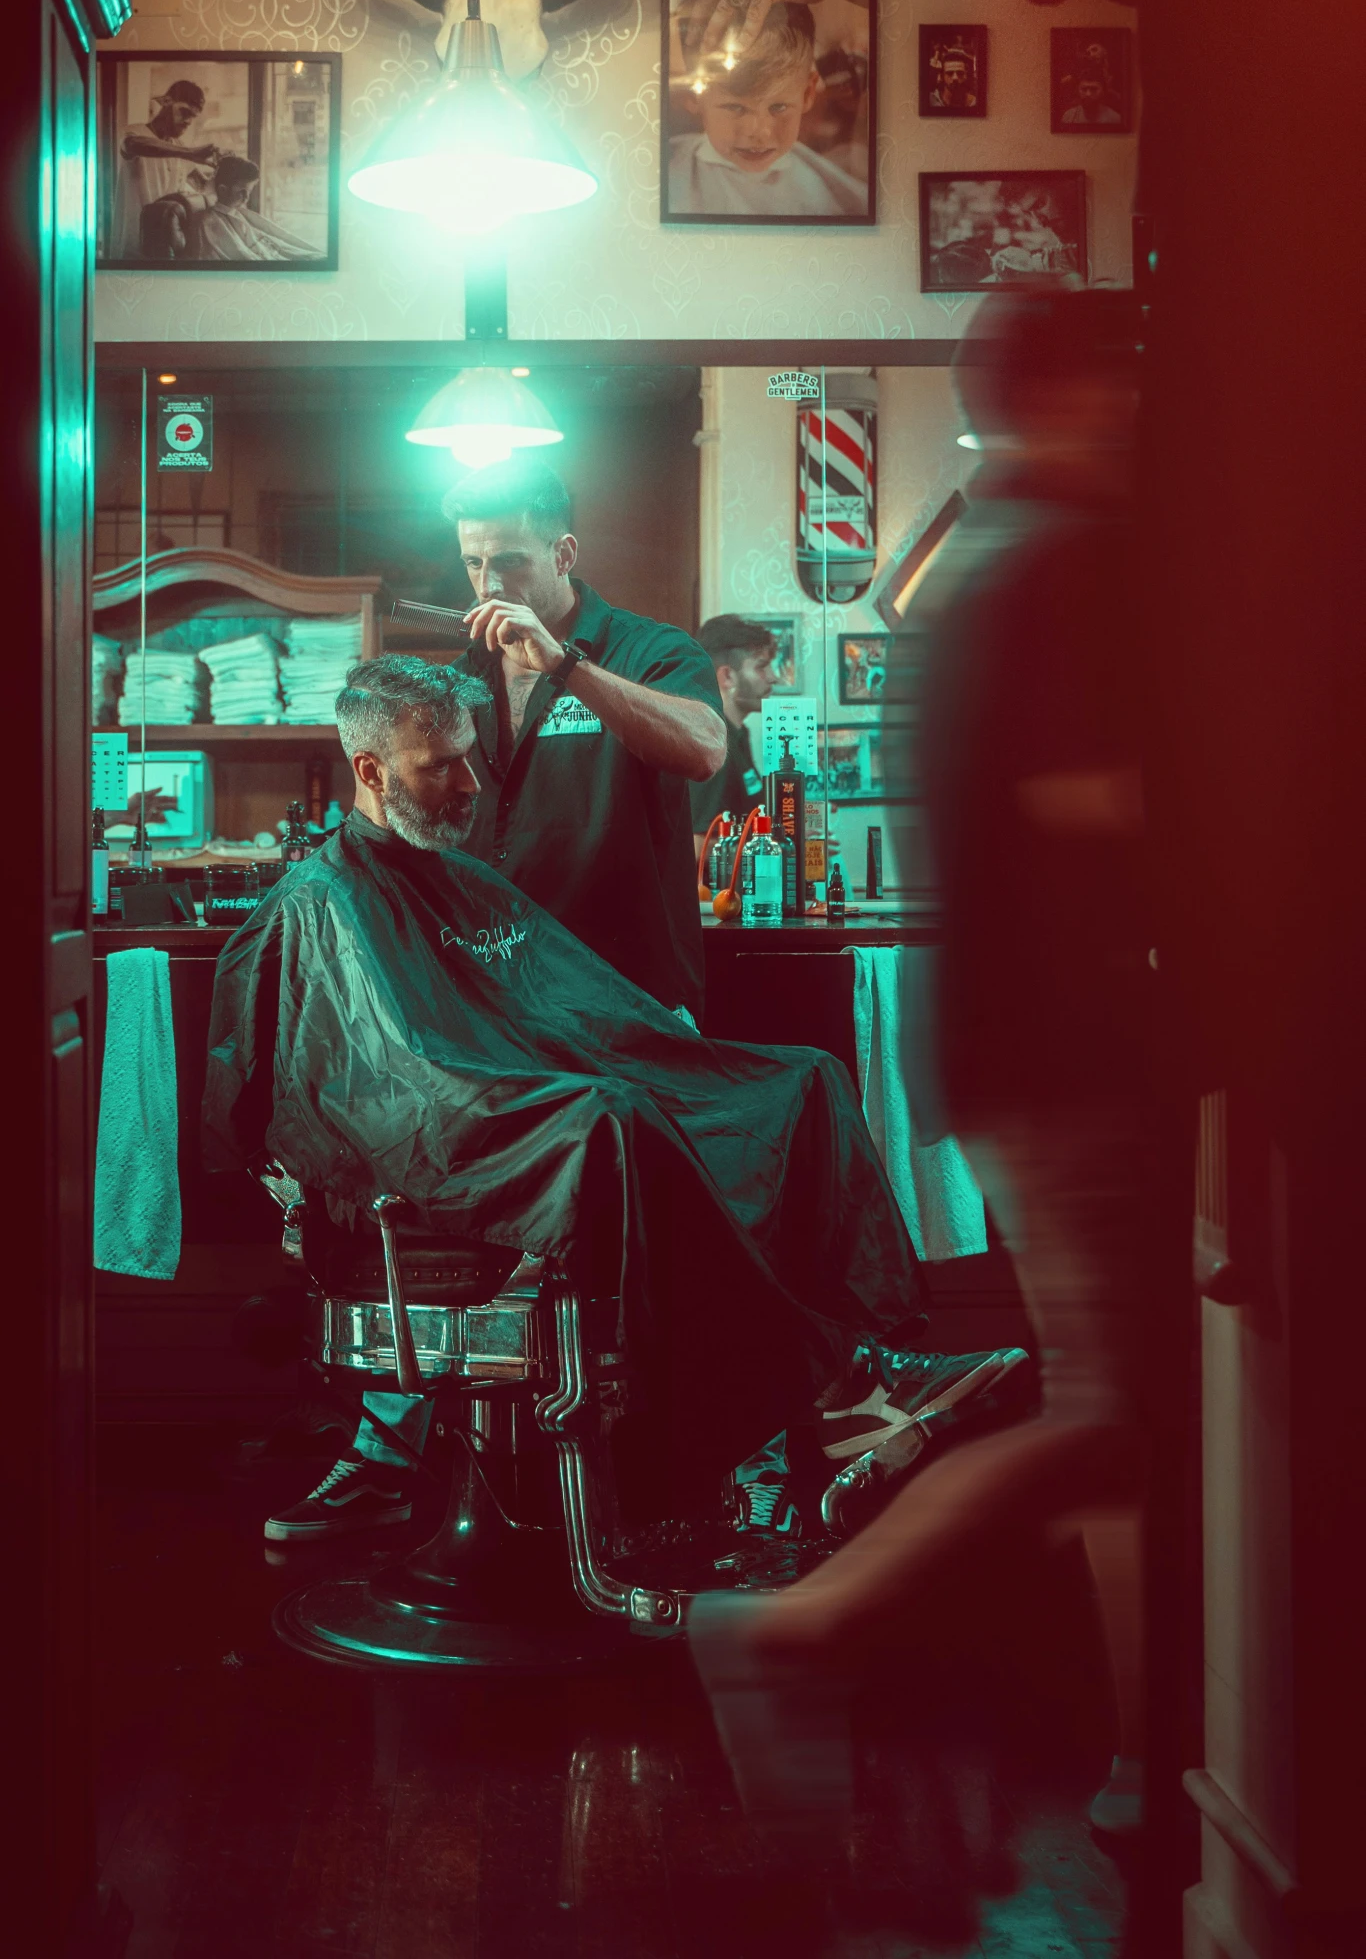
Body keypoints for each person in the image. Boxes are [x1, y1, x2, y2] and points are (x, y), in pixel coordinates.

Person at [206, 656, 1029, 1546]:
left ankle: (854, 1377)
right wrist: (569, 1088)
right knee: (614, 1119)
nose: (468, 782)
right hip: (442, 1145)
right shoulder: (318, 903)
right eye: (437, 764)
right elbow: (375, 1084)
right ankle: (827, 1396)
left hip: (530, 1103)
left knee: (800, 1082)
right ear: (369, 771)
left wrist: (650, 1047)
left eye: (470, 757)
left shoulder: (462, 881)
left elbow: (557, 1013)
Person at [690, 286, 1153, 1847]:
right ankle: (795, 1631)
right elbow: (1100, 812)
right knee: (1118, 1420)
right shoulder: (1063, 572)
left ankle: (1147, 1766)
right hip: (1081, 1049)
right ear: (1081, 396)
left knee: (1124, 1430)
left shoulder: (980, 575)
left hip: (1022, 1045)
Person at [442, 460, 728, 1025]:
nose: (488, 586)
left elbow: (705, 749)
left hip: (629, 997)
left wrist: (565, 665)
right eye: (473, 563)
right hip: (499, 999)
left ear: (563, 554)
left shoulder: (651, 650)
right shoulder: (460, 678)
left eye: (509, 561)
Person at [666, 5, 869, 218]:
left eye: (778, 107)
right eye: (736, 107)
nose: (759, 132)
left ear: (807, 94)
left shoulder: (844, 199)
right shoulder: (665, 173)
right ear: (693, 95)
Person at [688, 614, 778, 875]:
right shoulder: (712, 743)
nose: (773, 677)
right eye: (761, 667)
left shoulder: (738, 736)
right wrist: (777, 846)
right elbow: (697, 846)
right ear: (728, 676)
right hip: (716, 907)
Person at [114, 78, 217, 256]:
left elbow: (202, 186)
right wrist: (189, 153)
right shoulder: (133, 133)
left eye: (193, 116)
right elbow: (133, 144)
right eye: (184, 111)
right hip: (133, 246)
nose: (188, 121)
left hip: (165, 246)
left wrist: (221, 170)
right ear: (167, 101)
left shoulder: (179, 146)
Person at [196, 156, 321, 263]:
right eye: (241, 192)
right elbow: (241, 255)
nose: (246, 198)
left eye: (249, 192)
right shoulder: (212, 222)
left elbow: (279, 239)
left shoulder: (241, 214)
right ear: (223, 190)